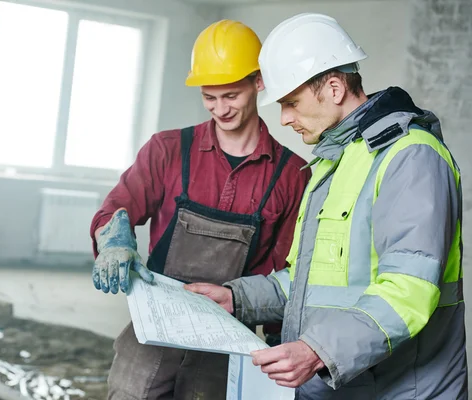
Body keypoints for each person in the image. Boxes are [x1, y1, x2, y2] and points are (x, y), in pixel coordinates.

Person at [186, 13, 467, 399]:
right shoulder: (336, 160)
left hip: (399, 390)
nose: (284, 119)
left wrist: (318, 350)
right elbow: (308, 281)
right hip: (341, 386)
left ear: (334, 88)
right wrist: (237, 298)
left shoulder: (410, 157)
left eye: (291, 103)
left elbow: (409, 289)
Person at [90, 19, 311, 399]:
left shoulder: (291, 175)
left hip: (229, 337)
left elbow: (288, 270)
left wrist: (280, 340)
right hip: (155, 327)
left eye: (231, 96)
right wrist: (113, 239)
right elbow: (117, 207)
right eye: (210, 97)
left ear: (258, 82)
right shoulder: (168, 149)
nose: (220, 109)